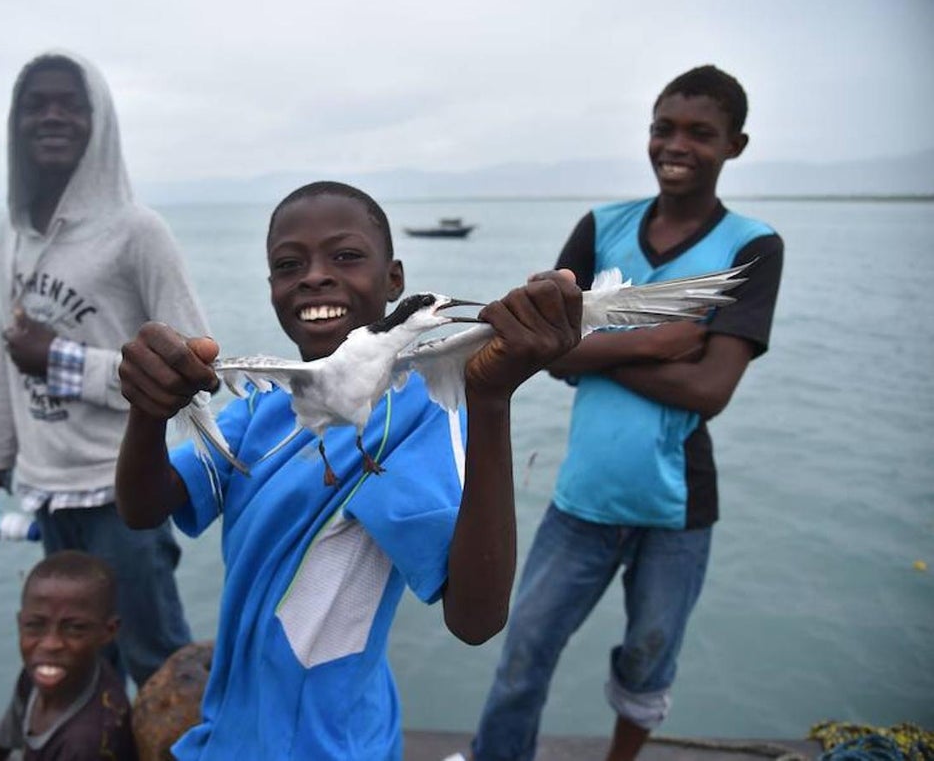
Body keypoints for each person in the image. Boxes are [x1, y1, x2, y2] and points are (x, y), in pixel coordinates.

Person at [114, 181, 584, 759]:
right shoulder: (260, 408)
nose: (314, 275)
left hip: (332, 743)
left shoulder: (421, 412)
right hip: (231, 727)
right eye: (290, 265)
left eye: (346, 256)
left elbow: (476, 618)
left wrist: (489, 401)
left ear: (395, 280)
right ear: (272, 289)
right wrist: (146, 410)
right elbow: (142, 508)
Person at [467, 66, 784, 761]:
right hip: (583, 497)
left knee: (647, 662)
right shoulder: (602, 227)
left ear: (737, 144)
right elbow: (543, 353)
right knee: (523, 654)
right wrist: (662, 340)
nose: (677, 145)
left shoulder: (752, 246)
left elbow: (711, 390)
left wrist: (598, 346)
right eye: (663, 128)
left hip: (676, 510)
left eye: (701, 133)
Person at [0, 50, 208, 687]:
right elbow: (7, 358)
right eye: (34, 103)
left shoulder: (136, 232)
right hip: (46, 491)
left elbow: (198, 367)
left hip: (121, 494)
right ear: (14, 122)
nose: (52, 115)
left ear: (99, 120)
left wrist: (65, 362)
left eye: (70, 103)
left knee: (156, 667)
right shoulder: (11, 235)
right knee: (83, 673)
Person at [0, 551, 136, 761]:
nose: (50, 644)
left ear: (109, 631)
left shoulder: (85, 744)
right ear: (20, 623)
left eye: (75, 629)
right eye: (35, 626)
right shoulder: (44, 674)